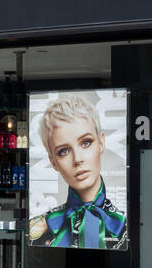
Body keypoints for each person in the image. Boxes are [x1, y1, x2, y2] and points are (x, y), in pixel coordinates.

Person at [29, 94, 128, 249]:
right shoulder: (39, 229)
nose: (77, 159)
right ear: (53, 162)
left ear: (101, 143)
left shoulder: (125, 227)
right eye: (64, 151)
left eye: (86, 143)